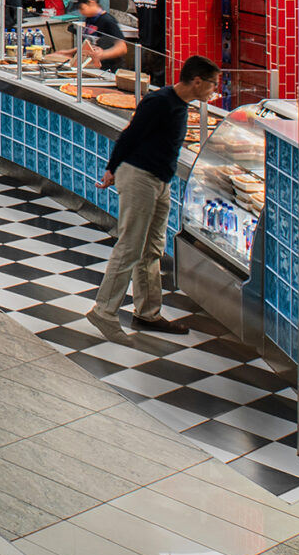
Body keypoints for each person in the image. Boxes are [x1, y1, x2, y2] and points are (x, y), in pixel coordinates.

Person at [87, 55, 220, 344]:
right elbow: (130, 135)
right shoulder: (160, 102)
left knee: (151, 249)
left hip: (160, 181)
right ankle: (104, 311)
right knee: (130, 246)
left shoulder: (180, 105)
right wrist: (111, 169)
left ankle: (147, 312)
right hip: (139, 178)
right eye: (212, 84)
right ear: (197, 81)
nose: (214, 90)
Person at [74, 0, 131, 70]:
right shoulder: (89, 19)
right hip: (95, 66)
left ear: (91, 2)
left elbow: (122, 48)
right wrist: (68, 52)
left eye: (82, 8)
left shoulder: (107, 20)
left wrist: (102, 55)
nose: (80, 12)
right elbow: (90, 45)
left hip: (110, 68)